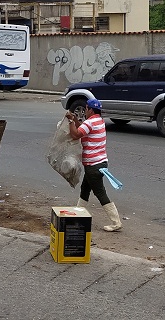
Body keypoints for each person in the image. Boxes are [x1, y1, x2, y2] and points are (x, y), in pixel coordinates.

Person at [64, 98, 123, 232]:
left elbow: (75, 134)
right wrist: (75, 119)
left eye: (85, 109)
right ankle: (78, 214)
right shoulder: (99, 121)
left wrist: (71, 121)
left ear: (89, 109)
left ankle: (116, 222)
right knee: (85, 189)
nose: (85, 112)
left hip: (93, 165)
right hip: (100, 162)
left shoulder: (90, 122)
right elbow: (82, 127)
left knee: (100, 192)